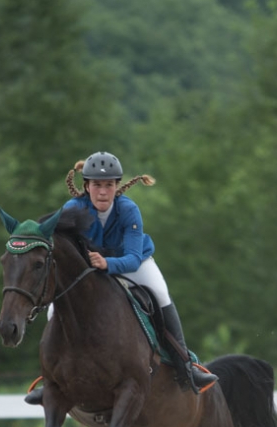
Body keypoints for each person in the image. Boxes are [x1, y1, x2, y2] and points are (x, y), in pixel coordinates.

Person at [24, 151, 217, 404]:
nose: (103, 192)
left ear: (117, 187)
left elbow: (134, 257)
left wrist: (107, 263)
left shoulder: (128, 210)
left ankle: (186, 365)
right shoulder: (72, 209)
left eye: (108, 185)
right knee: (54, 308)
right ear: (86, 186)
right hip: (90, 267)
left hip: (132, 263)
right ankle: (50, 378)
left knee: (160, 293)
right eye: (97, 185)